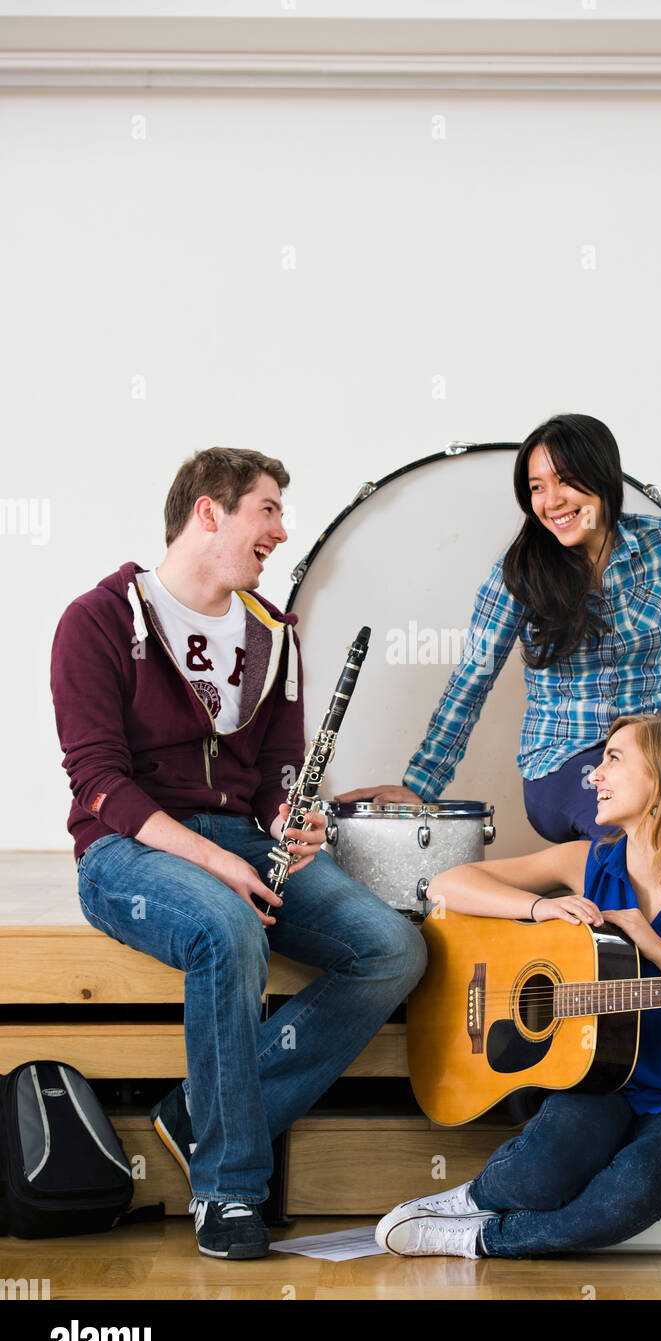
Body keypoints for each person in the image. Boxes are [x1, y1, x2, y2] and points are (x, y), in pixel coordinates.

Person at [50, 447, 426, 1260]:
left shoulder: (273, 634)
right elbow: (97, 781)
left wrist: (297, 819)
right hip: (128, 850)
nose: (283, 532)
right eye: (268, 509)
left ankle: (198, 1113)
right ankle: (225, 1188)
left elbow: (276, 780)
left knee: (393, 949)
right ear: (208, 512)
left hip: (246, 844)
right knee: (226, 929)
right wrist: (216, 861)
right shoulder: (98, 619)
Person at [376, 712, 661, 1259]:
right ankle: (479, 1196)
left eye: (614, 759)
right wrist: (539, 907)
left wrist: (653, 943)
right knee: (538, 1174)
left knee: (630, 1189)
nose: (593, 775)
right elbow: (446, 884)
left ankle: (481, 1239)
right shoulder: (587, 861)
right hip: (601, 1082)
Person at [340, 413, 661, 842]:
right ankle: (644, 886)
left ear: (601, 477)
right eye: (536, 487)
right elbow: (471, 681)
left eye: (564, 481)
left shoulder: (659, 543)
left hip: (651, 749)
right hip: (566, 763)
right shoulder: (519, 572)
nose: (551, 502)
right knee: (635, 832)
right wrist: (419, 787)